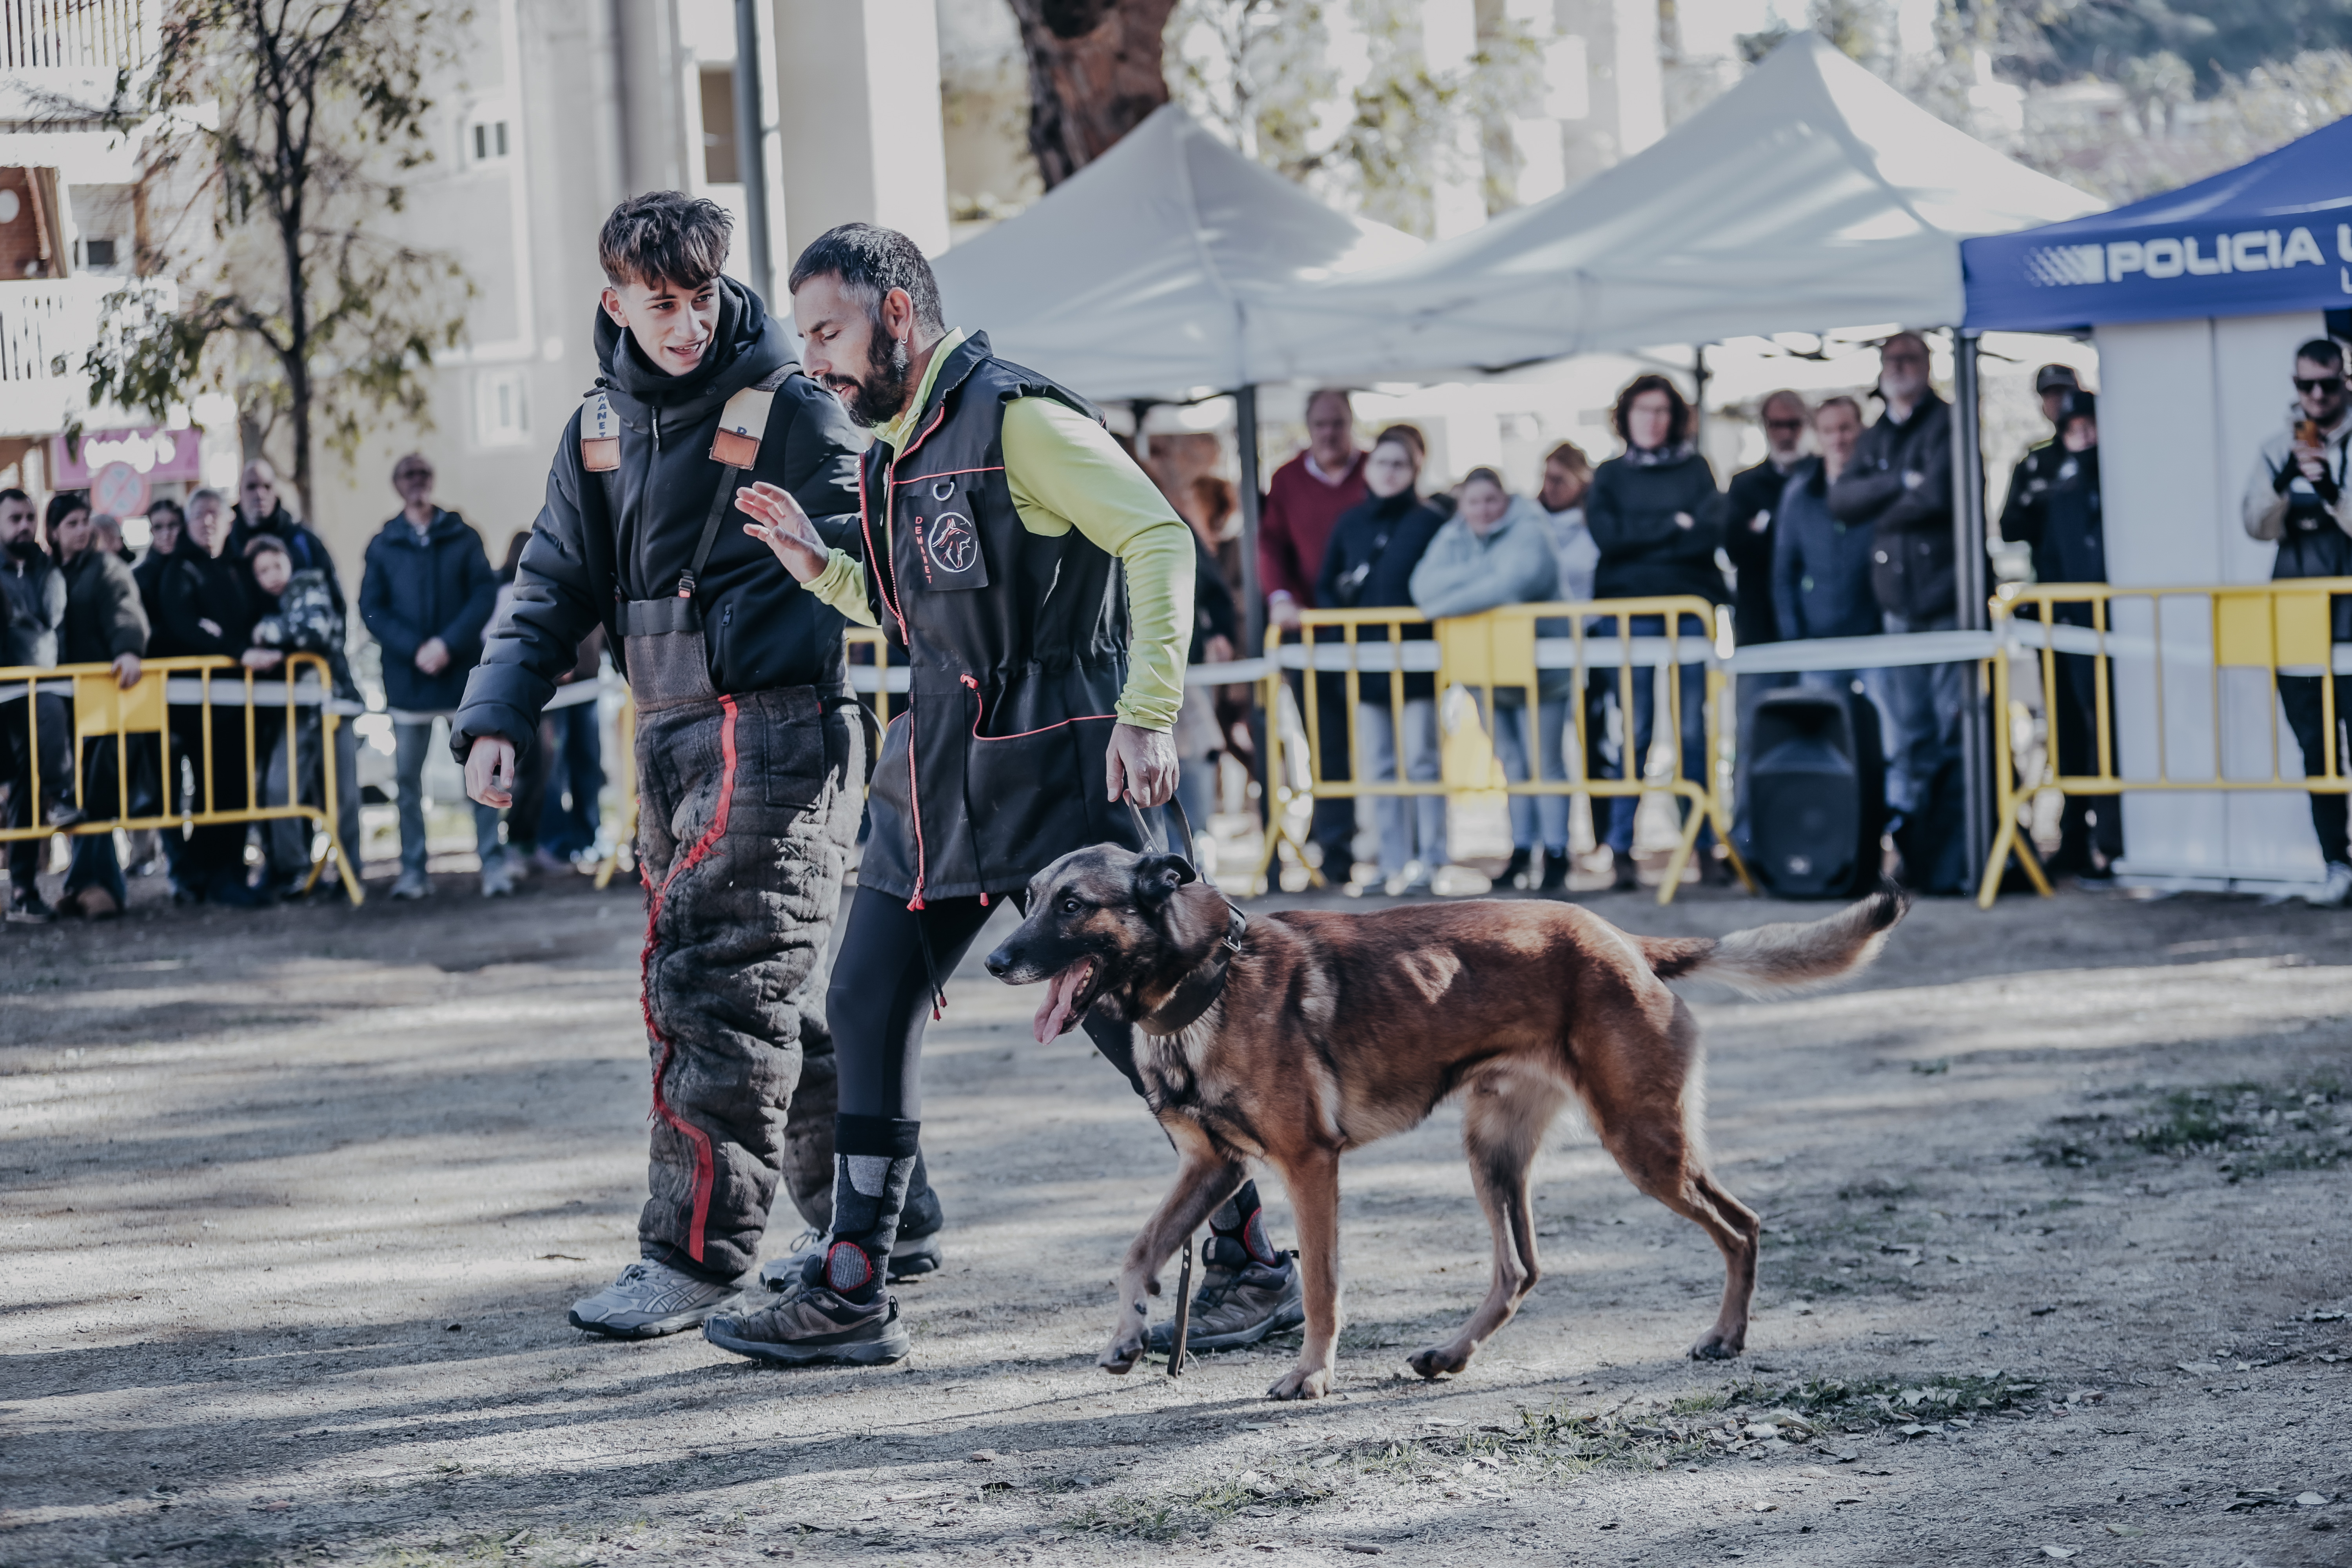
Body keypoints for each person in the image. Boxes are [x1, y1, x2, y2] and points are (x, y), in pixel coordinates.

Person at [708, 220, 1303, 1368]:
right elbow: (929, 618)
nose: (812, 359)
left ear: (895, 311)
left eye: (827, 330)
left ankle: (1251, 1266)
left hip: (1063, 772)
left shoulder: (1020, 419)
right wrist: (819, 568)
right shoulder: (890, 447)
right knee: (869, 996)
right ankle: (853, 1285)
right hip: (934, 775)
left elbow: (1158, 541)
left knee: (1148, 1031)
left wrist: (1146, 709)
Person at [455, 192, 871, 1341]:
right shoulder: (596, 424)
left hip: (774, 727)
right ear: (614, 302)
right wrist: (500, 717)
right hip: (667, 736)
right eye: (660, 306)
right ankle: (874, 1225)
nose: (686, 326)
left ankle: (691, 1255)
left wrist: (829, 554)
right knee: (774, 998)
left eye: (700, 301)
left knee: (717, 993)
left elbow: (867, 554)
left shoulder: (792, 404)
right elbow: (548, 587)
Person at [1831, 331, 1966, 895]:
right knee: (1911, 738)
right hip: (1898, 606)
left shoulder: (1949, 423)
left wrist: (1884, 502)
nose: (1900, 369)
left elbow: (1939, 495)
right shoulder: (1879, 433)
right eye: (1892, 361)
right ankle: (1918, 854)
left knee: (1956, 729)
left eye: (1910, 359)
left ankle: (1961, 851)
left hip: (1946, 600)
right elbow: (1842, 501)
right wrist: (1899, 484)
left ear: (1928, 365)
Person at [1586, 374, 1729, 891]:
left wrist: (1645, 537)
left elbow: (1709, 534)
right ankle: (1622, 847)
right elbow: (1609, 538)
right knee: (1636, 733)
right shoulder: (1608, 476)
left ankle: (1704, 845)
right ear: (1626, 416)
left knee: (1695, 733)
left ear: (1674, 417)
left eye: (1661, 410)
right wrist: (1675, 525)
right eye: (1642, 410)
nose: (1652, 420)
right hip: (1629, 617)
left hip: (1690, 612)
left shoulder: (1694, 469)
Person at [361, 453, 506, 899]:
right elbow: (372, 609)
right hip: (408, 684)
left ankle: (494, 868)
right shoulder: (383, 545)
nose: (417, 482)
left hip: (460, 678)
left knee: (480, 775)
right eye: (409, 475)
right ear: (397, 484)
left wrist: (447, 643)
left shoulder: (463, 536)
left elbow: (484, 593)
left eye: (423, 474)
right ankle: (413, 872)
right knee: (407, 781)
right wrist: (415, 648)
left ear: (432, 479)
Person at [1409, 467, 1560, 887]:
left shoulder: (1531, 526)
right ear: (1462, 505)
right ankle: (1523, 847)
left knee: (1544, 762)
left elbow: (1517, 583)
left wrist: (1447, 603)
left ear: (1506, 499)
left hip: (1540, 663)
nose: (1484, 510)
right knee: (1511, 762)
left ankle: (1558, 850)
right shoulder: (1454, 534)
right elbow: (1423, 588)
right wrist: (1485, 578)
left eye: (1492, 500)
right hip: (1483, 664)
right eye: (1474, 502)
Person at [2241, 337, 2352, 908]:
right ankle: (2336, 860)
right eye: (2304, 385)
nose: (2315, 396)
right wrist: (2286, 479)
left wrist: (2332, 489)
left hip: (2348, 617)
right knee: (2316, 748)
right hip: (2297, 618)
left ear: (2344, 383)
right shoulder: (2274, 448)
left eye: (2327, 385)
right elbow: (2255, 524)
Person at [1319, 430, 1448, 894]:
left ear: (1415, 471)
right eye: (1382, 462)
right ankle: (1390, 861)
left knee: (1422, 760)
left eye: (1400, 464)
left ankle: (1431, 858)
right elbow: (1327, 583)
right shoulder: (1351, 522)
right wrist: (1341, 631)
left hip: (1416, 660)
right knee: (1379, 764)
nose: (1389, 472)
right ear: (1369, 469)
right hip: (1366, 660)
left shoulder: (1432, 519)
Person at [2002, 390, 2118, 883]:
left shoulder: (2112, 470)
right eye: (2073, 428)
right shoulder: (2041, 469)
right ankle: (2073, 836)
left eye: (2089, 426)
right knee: (2068, 732)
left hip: (2104, 623)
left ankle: (2109, 840)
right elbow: (2011, 524)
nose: (2083, 436)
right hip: (2060, 621)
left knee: (2106, 733)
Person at [1259, 388, 1368, 879]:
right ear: (1308, 427)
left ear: (1352, 424)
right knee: (1326, 742)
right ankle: (1337, 851)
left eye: (1338, 423)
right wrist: (1280, 596)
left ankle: (1394, 847)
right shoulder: (1287, 479)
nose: (1330, 434)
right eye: (1321, 424)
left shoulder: (1377, 470)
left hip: (1373, 631)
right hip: (1312, 630)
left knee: (1387, 744)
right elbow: (1270, 545)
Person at [151, 486, 267, 905]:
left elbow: (248, 620)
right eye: (199, 515)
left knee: (233, 787)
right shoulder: (179, 569)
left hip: (238, 703)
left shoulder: (238, 567)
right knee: (213, 789)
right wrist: (234, 649)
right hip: (195, 706)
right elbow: (184, 625)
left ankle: (225, 870)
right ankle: (214, 874)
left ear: (228, 521)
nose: (208, 522)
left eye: (215, 514)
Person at [245, 528, 363, 898]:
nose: (272, 576)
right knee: (280, 788)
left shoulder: (310, 585)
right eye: (262, 572)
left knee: (342, 796)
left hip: (334, 703)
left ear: (289, 562)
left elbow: (315, 632)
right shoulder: (267, 603)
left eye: (276, 565)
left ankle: (349, 874)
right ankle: (296, 872)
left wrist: (269, 633)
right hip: (294, 708)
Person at [51, 492, 149, 918]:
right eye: (71, 523)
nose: (82, 530)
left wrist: (128, 648)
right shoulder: (47, 573)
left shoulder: (106, 568)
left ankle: (103, 888)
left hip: (104, 703)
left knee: (97, 797)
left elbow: (125, 612)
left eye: (84, 521)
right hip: (60, 708)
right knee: (74, 800)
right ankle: (85, 884)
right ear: (53, 532)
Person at [1724, 392, 1808, 851]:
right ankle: (1745, 839)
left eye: (1793, 423)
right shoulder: (1745, 484)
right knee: (1753, 738)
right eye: (1777, 424)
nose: (1785, 433)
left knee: (1815, 735)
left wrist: (1770, 529)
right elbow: (1739, 547)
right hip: (1759, 632)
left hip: (1815, 631)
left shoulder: (1819, 477)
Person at [2, 487, 81, 923]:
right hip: (9, 697)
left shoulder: (47, 570)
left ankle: (24, 890)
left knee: (25, 797)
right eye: (15, 518)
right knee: (19, 791)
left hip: (44, 694)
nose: (25, 526)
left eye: (30, 517)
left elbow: (54, 628)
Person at [1537, 441, 1611, 892]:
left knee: (1598, 745)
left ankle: (1602, 839)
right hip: (1547, 646)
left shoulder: (1593, 524)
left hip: (1593, 640)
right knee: (1548, 752)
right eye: (1546, 477)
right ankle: (1551, 845)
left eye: (1561, 479)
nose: (1551, 487)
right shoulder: (1531, 522)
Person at [229, 458, 345, 617]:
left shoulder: (306, 541)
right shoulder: (227, 547)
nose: (260, 493)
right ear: (240, 492)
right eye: (252, 486)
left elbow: (336, 601)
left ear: (276, 491)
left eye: (267, 486)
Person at [1995, 364, 2081, 554]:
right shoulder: (2034, 461)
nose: (2057, 402)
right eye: (2049, 395)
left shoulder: (2102, 454)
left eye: (2063, 392)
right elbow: (2009, 528)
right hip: (2050, 568)